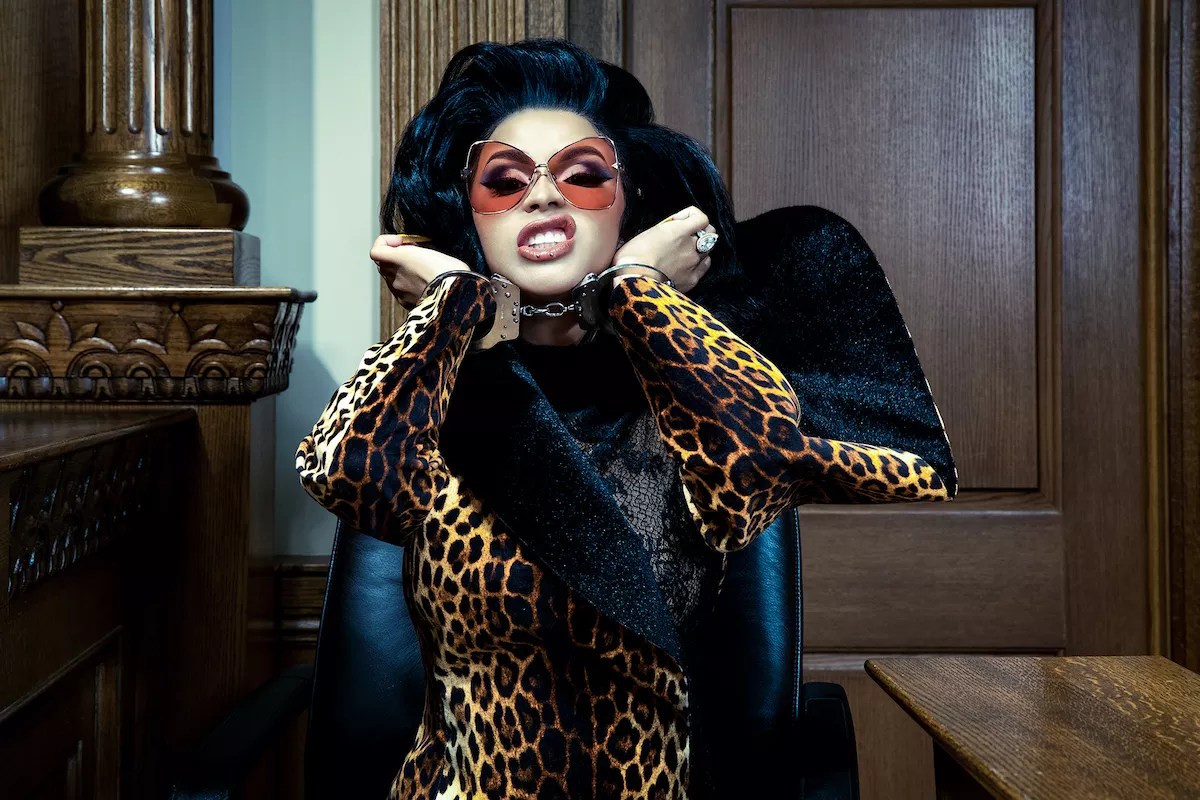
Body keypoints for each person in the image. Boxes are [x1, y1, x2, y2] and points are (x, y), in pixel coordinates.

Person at [296, 38, 955, 800]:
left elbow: (871, 466)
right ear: (470, 219)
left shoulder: (686, 390)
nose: (544, 196)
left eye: (583, 175)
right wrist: (454, 305)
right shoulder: (435, 389)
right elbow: (345, 473)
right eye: (504, 181)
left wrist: (640, 293)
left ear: (630, 206)